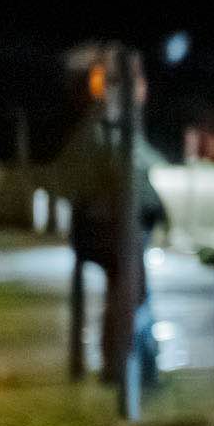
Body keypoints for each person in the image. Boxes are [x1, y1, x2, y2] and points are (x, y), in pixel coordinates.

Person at [52, 49, 168, 386]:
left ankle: (125, 360)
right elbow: (133, 175)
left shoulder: (103, 118)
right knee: (131, 275)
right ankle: (126, 365)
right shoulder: (113, 120)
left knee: (131, 273)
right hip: (101, 229)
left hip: (99, 225)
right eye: (140, 81)